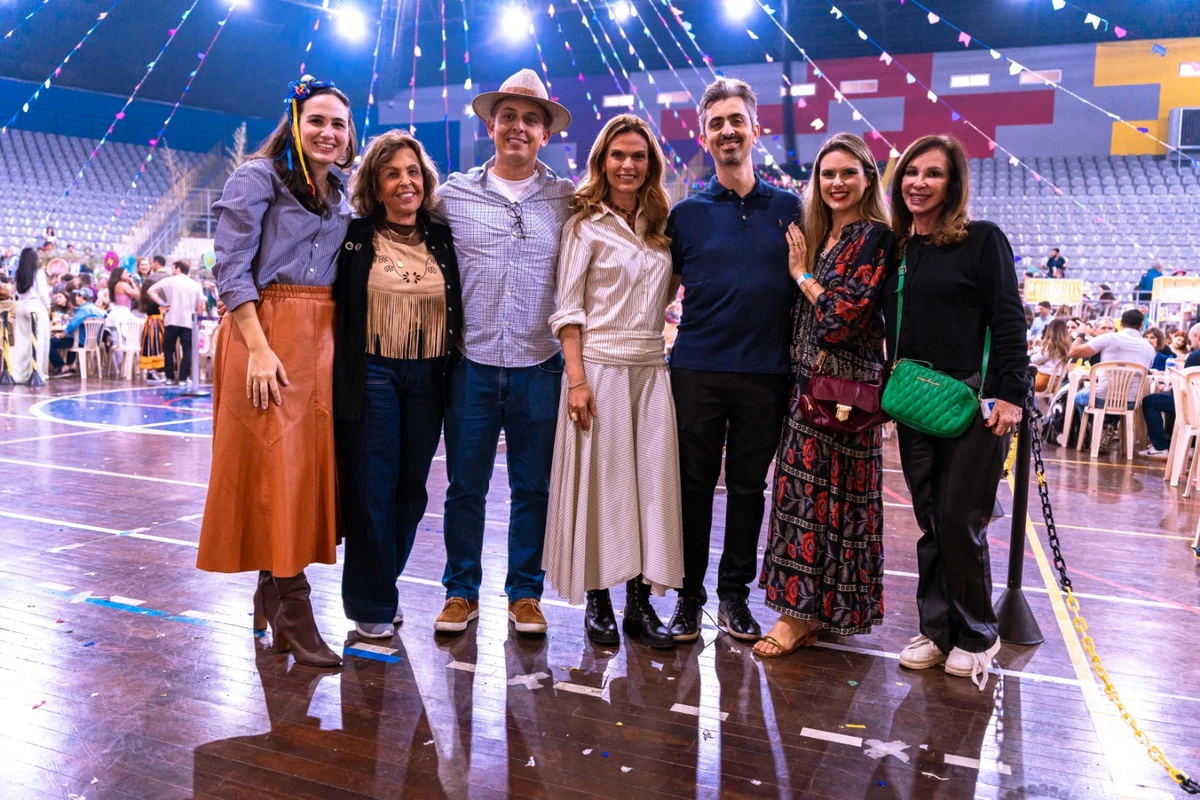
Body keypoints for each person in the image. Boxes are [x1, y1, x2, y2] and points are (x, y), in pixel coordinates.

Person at [196, 75, 356, 668]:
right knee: (274, 466)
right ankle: (292, 600)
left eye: (338, 123)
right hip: (265, 332)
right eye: (317, 120)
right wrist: (259, 348)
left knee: (294, 474)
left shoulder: (341, 192)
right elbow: (231, 267)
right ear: (294, 121)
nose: (327, 132)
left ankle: (272, 591)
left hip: (321, 340)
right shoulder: (256, 177)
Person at [431, 69, 574, 636]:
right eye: (509, 116)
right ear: (492, 125)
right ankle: (460, 591)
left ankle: (524, 594)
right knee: (465, 485)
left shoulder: (567, 199)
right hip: (471, 364)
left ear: (545, 133)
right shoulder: (452, 196)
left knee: (532, 487)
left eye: (531, 119)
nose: (519, 127)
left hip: (541, 365)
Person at [884, 135, 1028, 689]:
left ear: (954, 184)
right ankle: (937, 627)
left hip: (975, 403)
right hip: (917, 402)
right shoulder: (901, 250)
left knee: (959, 521)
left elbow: (1008, 320)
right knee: (929, 524)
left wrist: (1011, 395)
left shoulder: (982, 240)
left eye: (933, 173)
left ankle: (977, 633)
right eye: (911, 172)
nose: (919, 182)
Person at [664, 77, 800, 644]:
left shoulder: (791, 208)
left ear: (754, 128)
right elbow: (658, 290)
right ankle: (689, 600)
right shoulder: (686, 214)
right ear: (705, 133)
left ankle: (734, 598)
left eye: (736, 120)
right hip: (696, 370)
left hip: (767, 374)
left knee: (749, 491)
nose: (727, 131)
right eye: (716, 123)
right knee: (692, 489)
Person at [543, 114, 683, 650]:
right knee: (603, 489)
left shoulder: (659, 224)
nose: (628, 165)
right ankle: (598, 601)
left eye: (638, 156)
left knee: (650, 488)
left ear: (651, 165)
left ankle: (640, 605)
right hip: (596, 369)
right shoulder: (583, 224)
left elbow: (664, 292)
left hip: (650, 371)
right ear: (602, 160)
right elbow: (568, 308)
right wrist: (576, 380)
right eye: (618, 155)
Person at [751, 133, 892, 658]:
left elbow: (839, 319)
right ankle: (805, 612)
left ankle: (800, 617)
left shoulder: (875, 236)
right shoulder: (818, 235)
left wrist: (802, 275)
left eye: (848, 173)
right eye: (827, 174)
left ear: (867, 179)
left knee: (832, 501)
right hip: (805, 386)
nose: (837, 183)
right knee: (802, 500)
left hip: (843, 393)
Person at [333, 130, 463, 640]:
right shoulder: (355, 236)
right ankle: (371, 601)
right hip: (372, 372)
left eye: (412, 172)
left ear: (424, 179)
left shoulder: (443, 235)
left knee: (411, 490)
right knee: (373, 488)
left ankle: (383, 583)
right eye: (392, 174)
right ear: (376, 185)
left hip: (430, 375)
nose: (405, 182)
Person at [1067, 309, 1156, 452]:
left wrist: (1081, 334)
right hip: (1131, 401)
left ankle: (1092, 433)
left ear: (1120, 324)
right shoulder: (1149, 348)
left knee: (1078, 397)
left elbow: (1073, 352)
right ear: (1141, 326)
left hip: (1102, 396)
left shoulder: (1109, 338)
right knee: (1112, 400)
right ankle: (1107, 428)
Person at [1141, 323, 1200, 460]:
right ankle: (1190, 445)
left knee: (1151, 401)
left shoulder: (1195, 356)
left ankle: (1161, 447)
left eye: (1190, 340)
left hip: (1194, 407)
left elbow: (1186, 389)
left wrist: (1170, 388)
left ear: (1198, 336)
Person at [148, 260, 206, 386]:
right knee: (187, 350)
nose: (171, 270)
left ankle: (169, 377)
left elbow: (151, 291)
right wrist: (199, 319)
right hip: (189, 321)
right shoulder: (195, 284)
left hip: (171, 320)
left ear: (177, 268)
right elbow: (201, 304)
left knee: (169, 350)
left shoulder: (169, 281)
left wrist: (162, 303)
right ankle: (183, 378)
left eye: (173, 268)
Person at [12, 248, 50, 383]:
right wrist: (48, 307)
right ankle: (36, 373)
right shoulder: (38, 273)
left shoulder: (18, 274)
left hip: (20, 306)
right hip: (36, 306)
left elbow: (16, 292)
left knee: (21, 342)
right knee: (39, 342)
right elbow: (43, 294)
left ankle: (18, 374)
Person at [49, 288, 106, 375]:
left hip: (81, 341)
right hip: (93, 342)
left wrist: (61, 335)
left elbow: (72, 325)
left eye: (77, 295)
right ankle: (70, 365)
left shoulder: (83, 309)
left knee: (49, 343)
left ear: (82, 297)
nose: (75, 297)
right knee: (71, 338)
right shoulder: (98, 310)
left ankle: (62, 367)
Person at [138, 259, 168, 383]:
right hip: (155, 323)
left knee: (151, 346)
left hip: (151, 322)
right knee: (154, 346)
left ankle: (152, 372)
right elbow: (161, 309)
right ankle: (151, 372)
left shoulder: (145, 299)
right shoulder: (153, 300)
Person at [1031, 318, 1071, 392]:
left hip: (1044, 380)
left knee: (1023, 382)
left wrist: (1040, 363)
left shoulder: (1051, 346)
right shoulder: (1066, 346)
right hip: (1056, 382)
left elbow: (1034, 360)